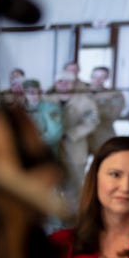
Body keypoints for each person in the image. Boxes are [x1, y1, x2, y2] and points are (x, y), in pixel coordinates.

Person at [48, 70, 99, 213]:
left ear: (74, 83)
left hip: (75, 149)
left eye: (67, 81)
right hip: (52, 149)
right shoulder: (47, 99)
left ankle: (76, 220)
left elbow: (92, 121)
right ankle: (55, 220)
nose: (63, 84)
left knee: (76, 186)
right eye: (60, 81)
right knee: (53, 186)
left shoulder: (85, 101)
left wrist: (70, 134)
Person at [87, 66, 125, 154]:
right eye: (95, 76)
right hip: (81, 136)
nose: (98, 80)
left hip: (102, 133)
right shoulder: (80, 92)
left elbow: (114, 114)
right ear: (91, 76)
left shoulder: (114, 95)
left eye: (102, 77)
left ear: (107, 78)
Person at [21, 79, 64, 156]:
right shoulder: (20, 109)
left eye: (34, 91)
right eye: (28, 91)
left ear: (39, 91)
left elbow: (55, 134)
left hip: (46, 152)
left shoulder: (51, 108)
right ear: (24, 93)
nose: (32, 94)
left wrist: (32, 142)